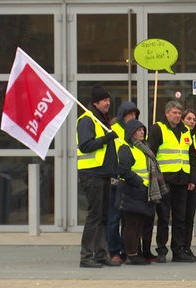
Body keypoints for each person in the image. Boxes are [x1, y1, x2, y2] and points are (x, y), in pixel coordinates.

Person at [147, 101, 196, 263]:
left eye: (178, 113)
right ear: (167, 113)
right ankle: (161, 250)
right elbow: (151, 153)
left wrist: (192, 179)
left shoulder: (186, 131)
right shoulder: (158, 128)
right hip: (164, 180)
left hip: (182, 179)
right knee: (163, 217)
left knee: (180, 217)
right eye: (174, 113)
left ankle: (178, 250)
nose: (177, 116)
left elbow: (191, 156)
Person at [77, 84, 120, 268]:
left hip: (102, 174)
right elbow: (85, 145)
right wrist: (107, 138)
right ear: (96, 102)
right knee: (94, 216)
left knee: (102, 216)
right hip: (91, 173)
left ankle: (101, 254)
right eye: (104, 100)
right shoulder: (87, 120)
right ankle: (86, 256)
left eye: (109, 100)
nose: (108, 103)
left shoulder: (102, 119)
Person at [117, 119, 167, 265]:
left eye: (143, 130)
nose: (142, 132)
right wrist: (139, 183)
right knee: (131, 225)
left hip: (143, 191)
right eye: (138, 130)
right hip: (132, 190)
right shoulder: (127, 148)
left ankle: (136, 252)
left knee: (138, 224)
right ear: (131, 133)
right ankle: (131, 254)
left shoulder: (144, 147)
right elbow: (124, 169)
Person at [108, 101, 140, 264]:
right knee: (114, 218)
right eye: (130, 114)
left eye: (135, 114)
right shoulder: (114, 131)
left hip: (130, 181)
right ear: (122, 115)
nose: (133, 117)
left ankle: (125, 250)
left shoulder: (134, 130)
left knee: (128, 221)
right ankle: (113, 251)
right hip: (116, 180)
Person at [181, 108, 196, 261]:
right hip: (181, 180)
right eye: (188, 119)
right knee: (180, 216)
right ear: (183, 120)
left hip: (195, 182)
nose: (191, 122)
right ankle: (179, 246)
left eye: (194, 120)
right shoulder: (181, 135)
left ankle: (187, 247)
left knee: (190, 216)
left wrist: (194, 180)